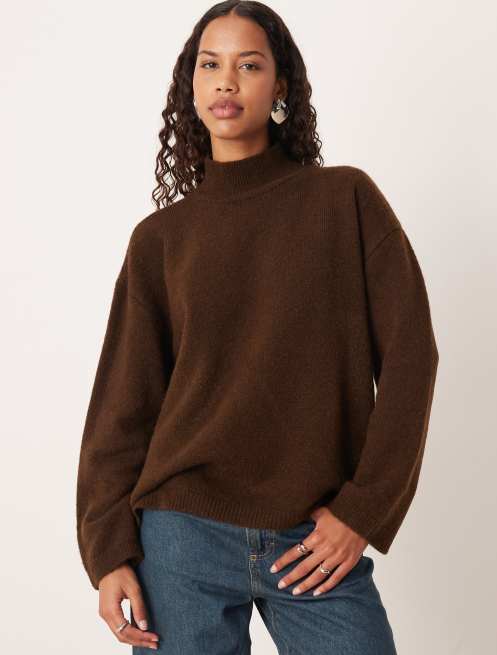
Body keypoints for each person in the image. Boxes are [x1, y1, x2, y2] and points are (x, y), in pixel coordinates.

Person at [76, 2, 439, 653]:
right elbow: (122, 408)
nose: (226, 81)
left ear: (280, 87)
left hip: (312, 537)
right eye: (209, 65)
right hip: (180, 537)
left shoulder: (343, 200)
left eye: (248, 65)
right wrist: (107, 551)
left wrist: (363, 510)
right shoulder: (160, 240)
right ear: (189, 87)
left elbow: (412, 357)